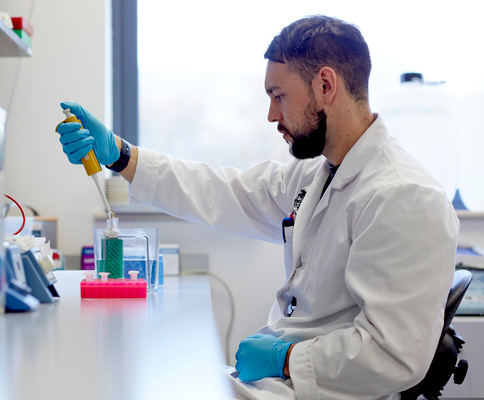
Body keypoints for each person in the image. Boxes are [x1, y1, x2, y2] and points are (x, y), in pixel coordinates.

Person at [54, 15, 459, 400]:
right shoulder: (318, 174)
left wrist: (285, 358)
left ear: (325, 86)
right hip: (283, 383)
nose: (271, 115)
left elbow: (395, 356)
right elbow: (223, 191)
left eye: (279, 96)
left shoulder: (405, 195)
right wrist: (121, 156)